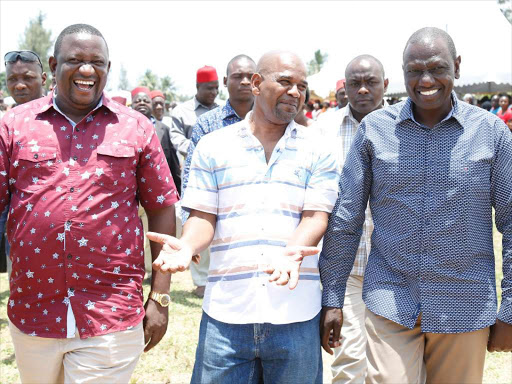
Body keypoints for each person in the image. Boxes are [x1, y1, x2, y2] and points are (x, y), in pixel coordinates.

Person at [320, 27, 512, 384]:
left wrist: (511, 309)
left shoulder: (492, 133)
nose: (425, 79)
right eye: (414, 70)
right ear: (403, 72)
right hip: (390, 299)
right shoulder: (374, 131)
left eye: (437, 68)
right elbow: (346, 217)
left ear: (456, 66)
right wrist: (332, 297)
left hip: (464, 304)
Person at [0, 24, 179, 383]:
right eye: (75, 60)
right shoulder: (14, 125)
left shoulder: (136, 128)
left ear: (108, 69)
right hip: (34, 311)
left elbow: (161, 208)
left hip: (110, 312)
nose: (86, 70)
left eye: (97, 62)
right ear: (53, 64)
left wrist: (159, 296)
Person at [148, 50, 339, 383]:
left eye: (301, 86)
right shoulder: (213, 146)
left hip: (295, 313)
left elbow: (315, 217)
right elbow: (203, 218)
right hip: (227, 314)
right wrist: (186, 245)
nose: (295, 92)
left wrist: (291, 252)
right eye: (285, 82)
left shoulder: (318, 148)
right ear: (256, 83)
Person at [314, 54, 388, 383]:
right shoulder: (322, 129)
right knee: (350, 358)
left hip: (394, 268)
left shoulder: (407, 127)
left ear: (384, 85)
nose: (362, 90)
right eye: (354, 83)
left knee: (388, 361)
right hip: (346, 268)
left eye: (370, 83)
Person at [181, 54, 256, 298]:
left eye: (249, 77)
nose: (244, 81)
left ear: (258, 81)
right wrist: (188, 225)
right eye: (237, 77)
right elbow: (191, 174)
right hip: (218, 213)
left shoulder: (275, 120)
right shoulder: (207, 123)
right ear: (225, 81)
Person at [2, 50, 48, 279]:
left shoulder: (66, 116)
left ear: (43, 79)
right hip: (18, 227)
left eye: (27, 78)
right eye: (12, 79)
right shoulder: (5, 124)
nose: (19, 85)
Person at [169, 66, 219, 158]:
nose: (214, 92)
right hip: (193, 166)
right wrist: (202, 149)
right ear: (198, 87)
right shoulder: (181, 111)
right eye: (210, 88)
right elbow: (177, 139)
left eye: (217, 88)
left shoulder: (223, 109)